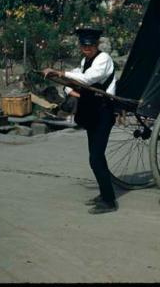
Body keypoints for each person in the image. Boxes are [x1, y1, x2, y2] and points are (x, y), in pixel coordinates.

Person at [42, 28, 118, 215]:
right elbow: (76, 78)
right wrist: (65, 84)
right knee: (95, 157)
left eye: (91, 46)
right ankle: (104, 194)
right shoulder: (85, 61)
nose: (87, 49)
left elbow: (87, 78)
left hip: (104, 111)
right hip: (92, 112)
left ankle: (109, 201)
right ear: (80, 46)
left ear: (97, 44)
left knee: (96, 157)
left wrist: (60, 73)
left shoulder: (103, 59)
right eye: (84, 46)